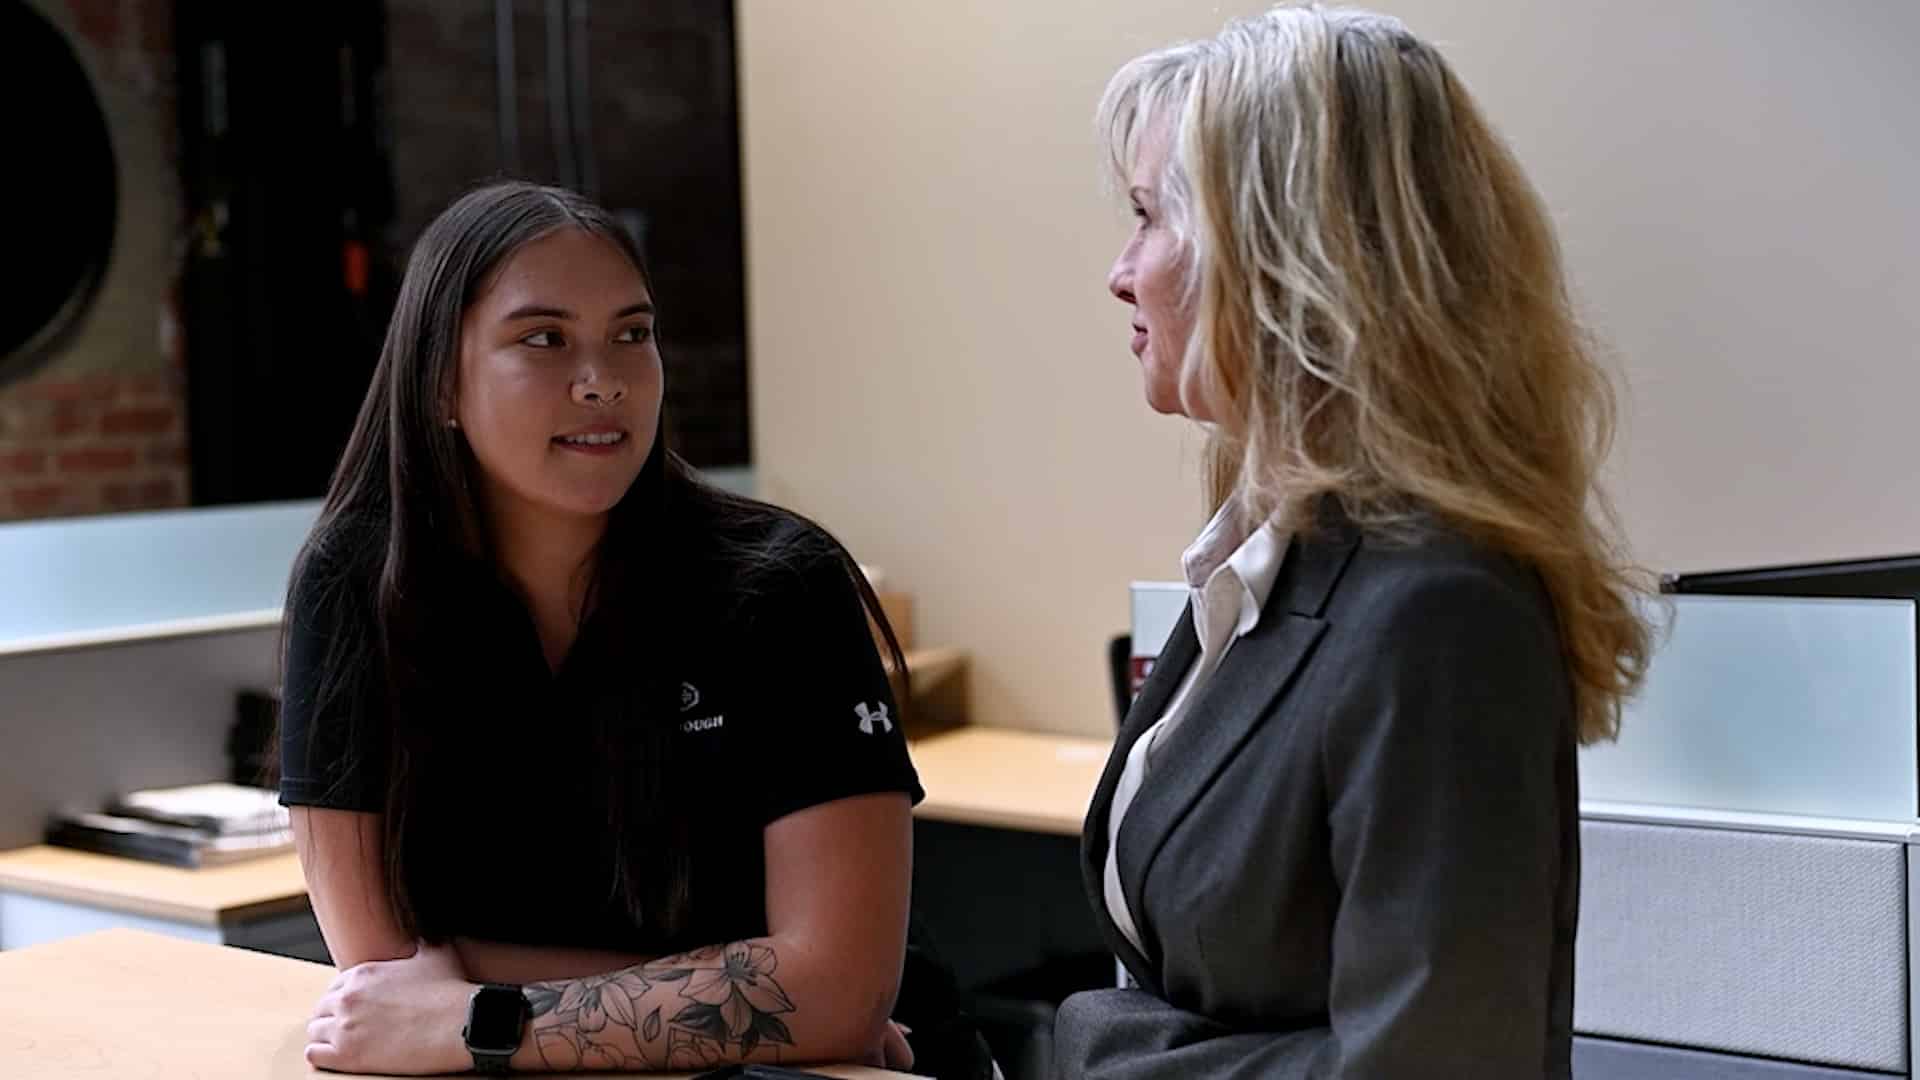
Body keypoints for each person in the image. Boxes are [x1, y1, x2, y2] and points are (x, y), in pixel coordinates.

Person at [1057, 5, 1655, 1077]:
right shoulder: (1274, 556)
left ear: (1285, 258)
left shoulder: (1439, 612)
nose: (1120, 271)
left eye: (1150, 217)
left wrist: (1100, 1044)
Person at [276, 181, 987, 1076]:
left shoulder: (778, 583)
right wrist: (752, 1000)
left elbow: (839, 994)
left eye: (632, 333)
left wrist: (481, 1012)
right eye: (544, 340)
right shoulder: (355, 581)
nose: (603, 379)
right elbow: (387, 976)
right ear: (439, 386)